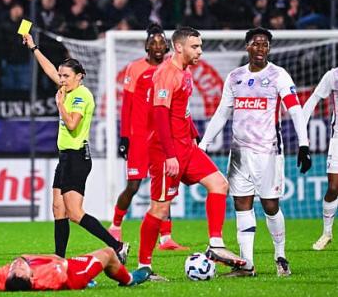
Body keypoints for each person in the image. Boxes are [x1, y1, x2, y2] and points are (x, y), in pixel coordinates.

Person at [199, 28, 311, 276]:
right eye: (256, 44)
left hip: (268, 152)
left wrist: (304, 143)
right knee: (242, 204)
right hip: (239, 153)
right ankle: (247, 264)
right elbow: (222, 113)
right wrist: (204, 143)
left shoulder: (278, 75)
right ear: (247, 47)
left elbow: (295, 110)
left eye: (265, 45)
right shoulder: (235, 77)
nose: (261, 49)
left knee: (270, 206)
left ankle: (280, 255)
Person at [137, 26, 246, 281]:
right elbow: (160, 116)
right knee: (160, 209)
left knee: (219, 184)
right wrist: (170, 154)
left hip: (186, 145)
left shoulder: (186, 73)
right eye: (195, 46)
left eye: (200, 46)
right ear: (179, 47)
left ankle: (216, 243)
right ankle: (144, 267)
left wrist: (195, 136)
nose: (200, 51)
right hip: (166, 151)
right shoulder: (166, 74)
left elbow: (181, 110)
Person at [22, 32, 128, 262]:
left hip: (77, 157)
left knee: (74, 213)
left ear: (79, 77)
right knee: (57, 209)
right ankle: (59, 259)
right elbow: (49, 69)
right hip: (66, 157)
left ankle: (117, 246)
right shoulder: (66, 89)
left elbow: (71, 124)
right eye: (60, 76)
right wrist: (33, 47)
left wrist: (60, 105)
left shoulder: (80, 96)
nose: (61, 79)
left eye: (66, 76)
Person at [110, 25, 187, 250]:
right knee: (133, 186)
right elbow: (126, 106)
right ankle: (115, 226)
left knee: (162, 185)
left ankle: (166, 238)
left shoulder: (172, 69)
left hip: (162, 139)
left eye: (161, 42)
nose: (157, 46)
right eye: (153, 43)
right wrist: (124, 137)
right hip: (139, 138)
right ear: (146, 46)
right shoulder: (134, 69)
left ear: (167, 46)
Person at [0, 246, 151, 291]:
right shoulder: (48, 278)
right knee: (109, 253)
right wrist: (55, 259)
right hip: (75, 275)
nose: (17, 266)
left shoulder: (4, 279)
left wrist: (22, 260)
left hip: (67, 266)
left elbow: (20, 258)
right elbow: (61, 264)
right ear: (31, 278)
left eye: (14, 269)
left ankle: (90, 280)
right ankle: (129, 280)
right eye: (20, 270)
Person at [301, 68, 338, 251]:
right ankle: (327, 233)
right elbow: (314, 99)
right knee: (333, 188)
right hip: (337, 140)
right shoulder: (333, 76)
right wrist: (302, 126)